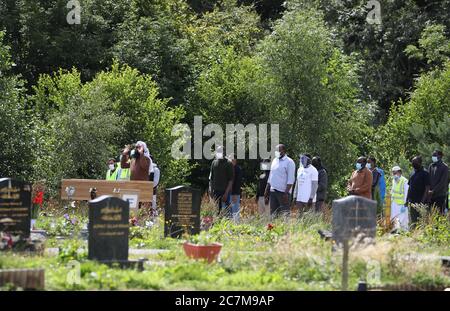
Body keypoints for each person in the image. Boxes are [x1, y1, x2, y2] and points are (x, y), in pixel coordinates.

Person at [264, 144, 296, 216]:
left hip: (283, 193)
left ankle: (285, 227)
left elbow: (291, 179)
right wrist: (266, 189)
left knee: (284, 214)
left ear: (283, 151)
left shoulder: (289, 162)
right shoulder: (274, 160)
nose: (276, 152)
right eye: (275, 151)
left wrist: (286, 193)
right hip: (273, 191)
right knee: (273, 214)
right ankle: (274, 227)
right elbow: (271, 176)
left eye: (278, 151)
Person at [209, 146, 234, 215]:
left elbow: (230, 180)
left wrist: (226, 193)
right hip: (215, 192)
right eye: (217, 152)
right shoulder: (214, 163)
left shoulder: (229, 163)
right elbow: (211, 178)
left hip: (225, 192)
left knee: (227, 212)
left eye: (220, 151)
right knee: (217, 212)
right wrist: (210, 190)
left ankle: (230, 224)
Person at [407, 156, 430, 227]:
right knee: (413, 222)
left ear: (420, 163)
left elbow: (427, 188)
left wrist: (422, 201)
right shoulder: (412, 172)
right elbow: (409, 187)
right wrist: (407, 199)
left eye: (415, 162)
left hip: (421, 202)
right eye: (412, 162)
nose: (413, 163)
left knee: (422, 222)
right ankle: (414, 236)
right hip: (412, 202)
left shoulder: (425, 173)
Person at [427, 150, 449, 214]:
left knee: (439, 214)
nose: (433, 157)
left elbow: (442, 182)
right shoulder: (431, 166)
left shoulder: (444, 167)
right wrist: (428, 190)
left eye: (434, 155)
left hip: (440, 195)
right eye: (432, 155)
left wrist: (433, 190)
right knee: (431, 215)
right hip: (431, 196)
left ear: (440, 156)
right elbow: (428, 179)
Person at [390, 166, 409, 231]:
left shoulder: (405, 181)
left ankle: (405, 232)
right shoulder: (393, 180)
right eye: (393, 173)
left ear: (400, 172)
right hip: (394, 203)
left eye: (395, 173)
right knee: (394, 218)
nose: (394, 175)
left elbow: (406, 193)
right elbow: (392, 191)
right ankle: (396, 232)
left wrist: (405, 204)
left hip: (402, 204)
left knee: (403, 220)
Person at [228, 154, 243, 222]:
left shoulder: (238, 169)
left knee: (235, 211)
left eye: (232, 159)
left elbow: (237, 183)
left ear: (235, 160)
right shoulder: (230, 168)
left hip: (235, 194)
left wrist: (234, 194)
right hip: (229, 193)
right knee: (230, 212)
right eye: (230, 159)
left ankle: (236, 226)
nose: (231, 160)